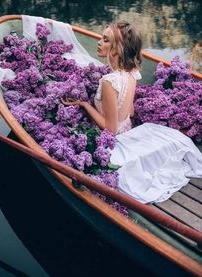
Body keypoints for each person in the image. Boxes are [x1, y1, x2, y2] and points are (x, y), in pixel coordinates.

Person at [61, 20, 202, 204]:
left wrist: (84, 104)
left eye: (105, 40)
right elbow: (131, 111)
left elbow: (110, 129)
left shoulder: (109, 81)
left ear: (117, 49)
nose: (99, 42)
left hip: (118, 141)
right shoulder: (132, 72)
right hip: (129, 129)